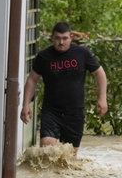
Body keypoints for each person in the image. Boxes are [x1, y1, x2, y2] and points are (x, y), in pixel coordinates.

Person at [20, 22, 108, 157]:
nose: (61, 42)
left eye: (65, 38)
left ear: (71, 37)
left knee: (69, 157)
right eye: (57, 38)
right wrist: (25, 104)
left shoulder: (82, 53)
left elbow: (99, 73)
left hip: (74, 112)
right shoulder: (44, 56)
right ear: (52, 38)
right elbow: (32, 79)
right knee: (47, 149)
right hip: (51, 111)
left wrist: (102, 98)